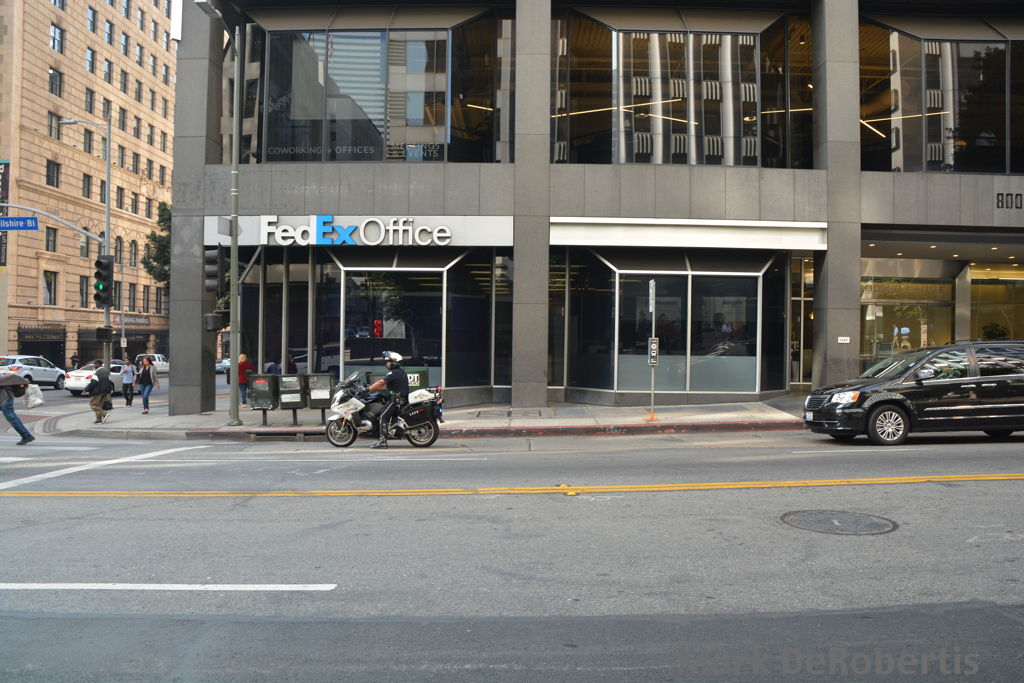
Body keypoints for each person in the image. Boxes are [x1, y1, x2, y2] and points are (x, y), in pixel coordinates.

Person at [366, 351, 409, 449]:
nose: (387, 363)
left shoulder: (394, 372)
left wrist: (368, 389)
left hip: (396, 400)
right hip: (399, 399)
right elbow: (388, 384)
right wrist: (372, 386)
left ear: (394, 362)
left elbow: (381, 382)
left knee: (382, 417)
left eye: (389, 361)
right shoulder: (400, 372)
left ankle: (383, 442)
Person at [0, 375, 34, 445]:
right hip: (4, 398)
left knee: (11, 417)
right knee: (11, 416)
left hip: (5, 398)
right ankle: (26, 436)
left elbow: (12, 378)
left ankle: (26, 436)